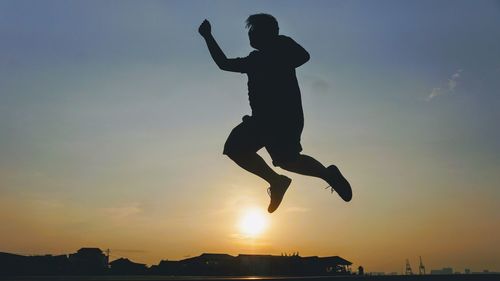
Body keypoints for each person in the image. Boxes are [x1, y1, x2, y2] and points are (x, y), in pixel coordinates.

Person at [198, 14, 352, 213]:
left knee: (238, 148)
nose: (250, 36)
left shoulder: (281, 50)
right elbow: (224, 64)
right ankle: (323, 175)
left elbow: (303, 56)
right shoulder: (255, 60)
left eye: (253, 31)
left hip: (275, 119)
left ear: (266, 33)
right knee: (286, 160)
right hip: (274, 120)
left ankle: (280, 181)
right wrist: (208, 36)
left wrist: (277, 42)